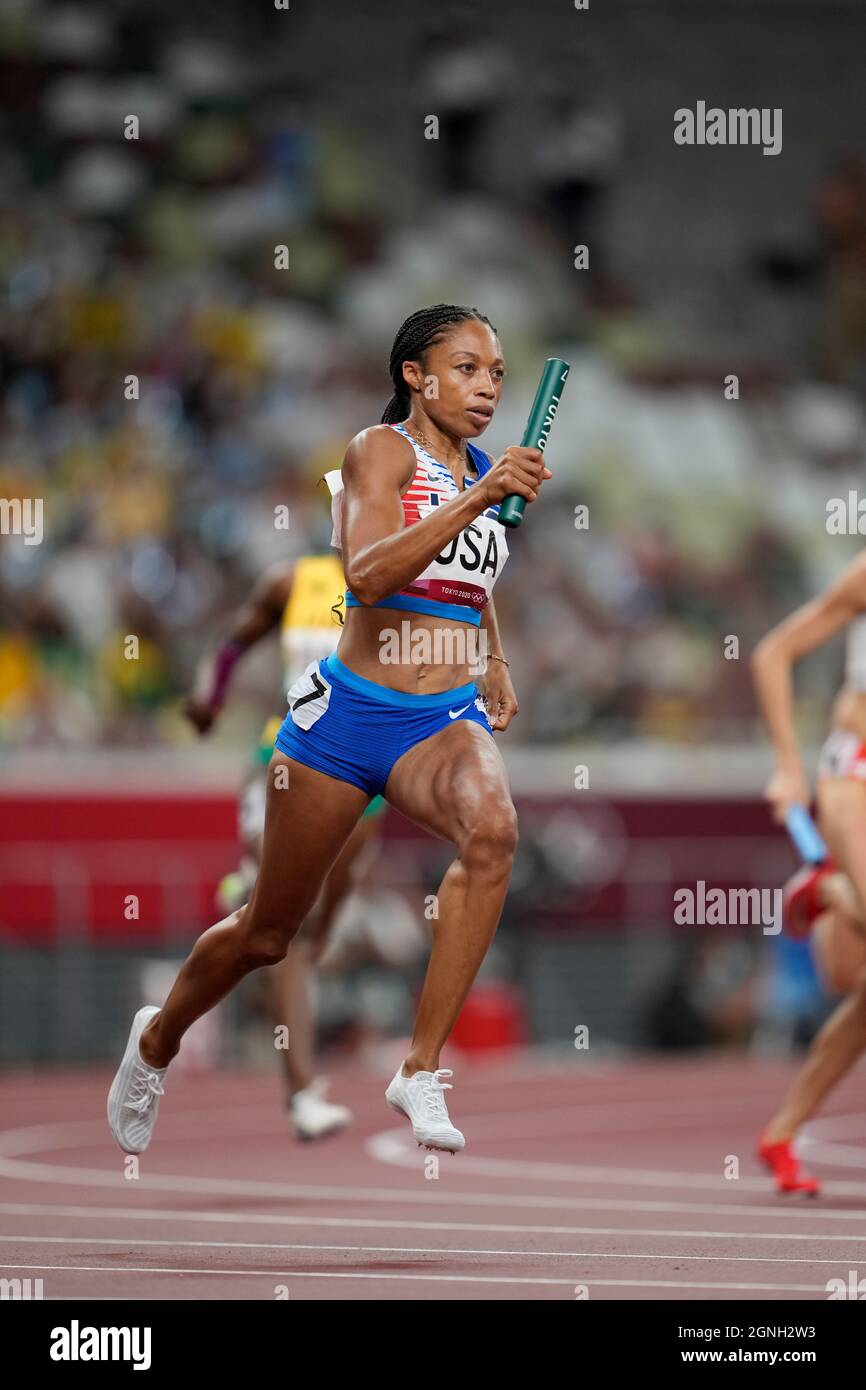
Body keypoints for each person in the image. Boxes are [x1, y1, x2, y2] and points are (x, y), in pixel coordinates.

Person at [108, 302, 549, 1155]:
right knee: (269, 935)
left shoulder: (483, 469)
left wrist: (493, 656)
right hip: (346, 719)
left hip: (440, 718)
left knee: (494, 833)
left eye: (496, 372)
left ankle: (419, 1069)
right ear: (415, 376)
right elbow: (372, 572)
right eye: (465, 368)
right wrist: (486, 495)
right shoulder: (378, 452)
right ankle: (155, 1040)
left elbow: (471, 577)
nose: (487, 386)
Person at [183, 552, 386, 1140]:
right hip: (286, 756)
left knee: (322, 924)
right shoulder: (292, 582)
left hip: (365, 771)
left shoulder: (408, 578)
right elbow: (229, 644)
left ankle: (281, 971)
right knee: (288, 931)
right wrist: (210, 696)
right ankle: (300, 1089)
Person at [752, 551, 866, 1193]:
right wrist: (789, 767)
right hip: (854, 772)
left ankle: (781, 1132)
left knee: (856, 982)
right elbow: (772, 653)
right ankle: (832, 885)